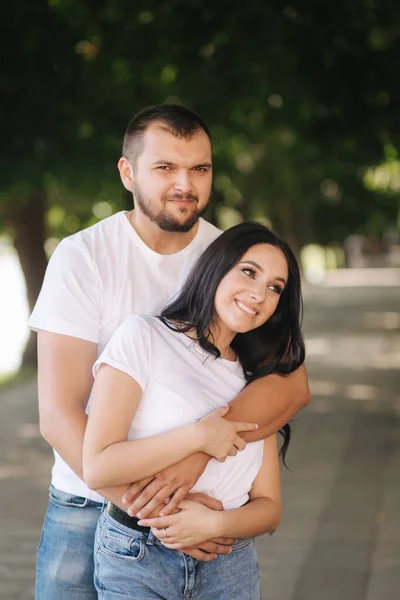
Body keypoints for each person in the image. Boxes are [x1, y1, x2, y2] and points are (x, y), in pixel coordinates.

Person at [29, 104, 310, 599]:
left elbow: (290, 386)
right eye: (165, 168)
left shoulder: (235, 260)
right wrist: (156, 512)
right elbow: (59, 414)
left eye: (199, 168)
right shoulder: (84, 256)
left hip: (203, 512)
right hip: (89, 503)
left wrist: (197, 458)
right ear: (127, 172)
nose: (185, 183)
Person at [83, 221, 305, 599]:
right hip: (137, 558)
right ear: (217, 266)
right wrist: (198, 436)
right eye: (249, 272)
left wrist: (215, 523)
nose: (259, 294)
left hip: (229, 565)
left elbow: (269, 508)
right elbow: (98, 466)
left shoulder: (257, 379)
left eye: (274, 288)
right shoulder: (144, 337)